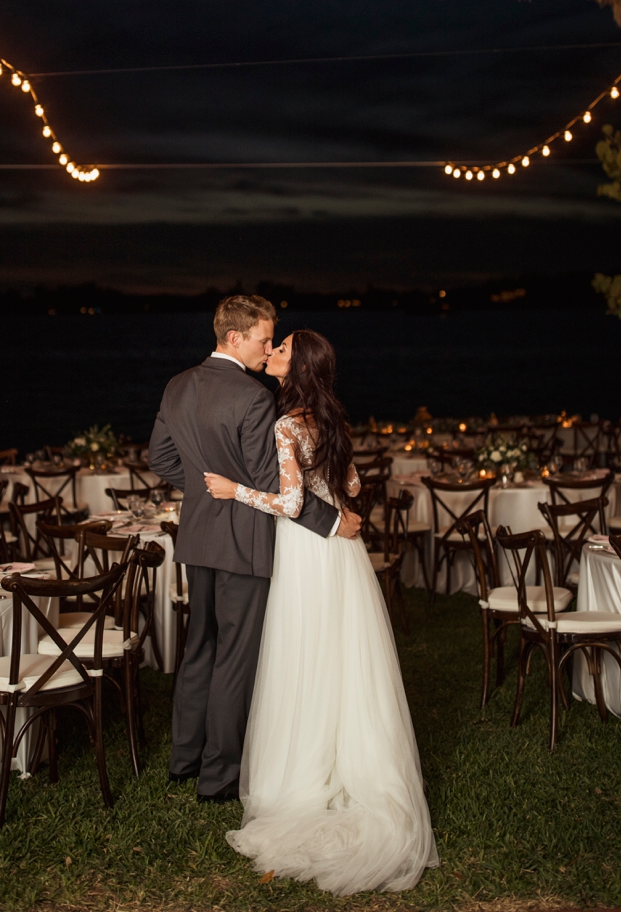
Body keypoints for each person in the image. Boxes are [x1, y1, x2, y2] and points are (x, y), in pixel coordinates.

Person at [204, 329, 438, 895]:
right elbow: (350, 484)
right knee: (344, 656)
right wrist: (337, 509)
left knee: (304, 654)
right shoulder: (333, 420)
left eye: (281, 348)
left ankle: (304, 772)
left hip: (309, 555)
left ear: (298, 365)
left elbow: (287, 503)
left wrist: (233, 489)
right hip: (345, 556)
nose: (273, 352)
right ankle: (352, 763)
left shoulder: (287, 425)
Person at [148, 295, 363, 803]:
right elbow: (275, 486)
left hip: (198, 536)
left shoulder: (177, 385)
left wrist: (202, 491)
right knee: (235, 659)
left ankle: (185, 758)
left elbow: (160, 457)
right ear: (235, 337)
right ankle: (219, 777)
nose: (269, 349)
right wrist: (333, 520)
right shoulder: (252, 397)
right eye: (265, 339)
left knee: (199, 647)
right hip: (245, 541)